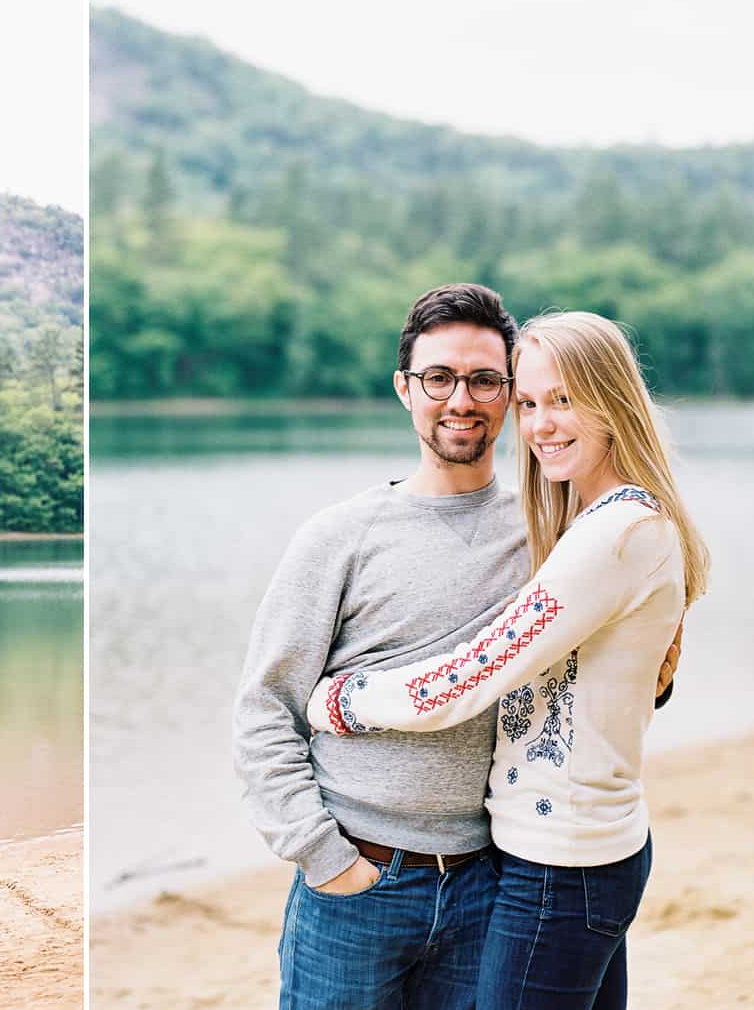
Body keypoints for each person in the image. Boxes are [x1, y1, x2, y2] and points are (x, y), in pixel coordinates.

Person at [232, 285, 680, 1010]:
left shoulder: (552, 528)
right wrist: (324, 857)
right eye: (438, 377)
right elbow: (263, 710)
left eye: (485, 381)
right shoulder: (339, 536)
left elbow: (605, 645)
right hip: (359, 884)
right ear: (404, 388)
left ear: (507, 393)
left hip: (491, 882)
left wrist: (660, 663)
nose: (460, 399)